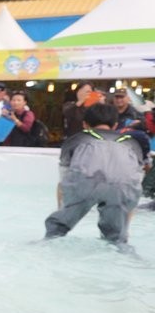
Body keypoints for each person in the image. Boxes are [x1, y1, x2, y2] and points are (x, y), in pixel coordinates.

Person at [45, 103, 146, 245]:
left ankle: (50, 239)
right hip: (123, 186)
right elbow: (135, 184)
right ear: (115, 124)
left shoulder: (76, 139)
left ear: (85, 124)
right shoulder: (131, 143)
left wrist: (63, 212)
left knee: (56, 231)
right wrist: (124, 230)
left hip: (84, 182)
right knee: (116, 240)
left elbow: (64, 179)